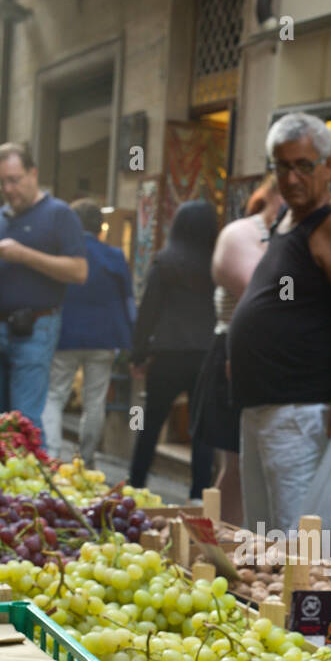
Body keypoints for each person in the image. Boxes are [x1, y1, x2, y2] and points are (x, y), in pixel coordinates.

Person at [228, 113, 331, 534]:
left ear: (326, 166)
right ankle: (272, 604)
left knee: (299, 544)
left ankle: (299, 604)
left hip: (301, 411)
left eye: (303, 165)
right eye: (282, 166)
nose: (291, 177)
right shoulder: (288, 222)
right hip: (263, 408)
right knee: (265, 538)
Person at [189, 175, 283, 525]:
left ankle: (240, 553)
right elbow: (261, 297)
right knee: (238, 466)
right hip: (236, 353)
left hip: (279, 364)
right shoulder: (243, 233)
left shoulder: (297, 237)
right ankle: (216, 551)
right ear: (272, 194)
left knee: (257, 468)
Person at [0, 143, 88, 438]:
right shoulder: (0, 215)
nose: (9, 189)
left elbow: (79, 271)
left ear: (33, 173)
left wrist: (23, 255)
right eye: (2, 183)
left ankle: (32, 479)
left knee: (22, 420)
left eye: (15, 180)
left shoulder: (59, 214)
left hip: (32, 328)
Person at [129, 199, 219, 497]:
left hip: (168, 353)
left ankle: (136, 484)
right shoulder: (217, 264)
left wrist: (138, 354)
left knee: (151, 422)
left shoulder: (166, 261)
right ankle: (199, 494)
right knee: (202, 429)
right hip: (205, 354)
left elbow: (148, 311)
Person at [42, 199, 134, 467]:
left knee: (55, 394)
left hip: (64, 335)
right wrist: (131, 340)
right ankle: (87, 457)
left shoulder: (61, 257)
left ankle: (52, 455)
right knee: (95, 400)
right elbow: (128, 301)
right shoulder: (115, 256)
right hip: (104, 337)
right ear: (100, 227)